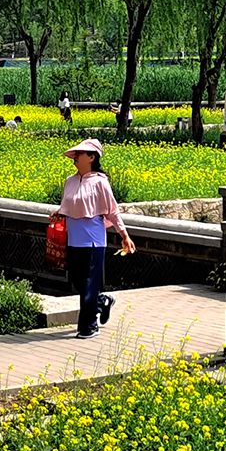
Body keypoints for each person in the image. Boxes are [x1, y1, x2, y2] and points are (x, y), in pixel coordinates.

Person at [52, 138, 136, 339]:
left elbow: (112, 211)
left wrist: (124, 235)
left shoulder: (100, 182)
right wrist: (59, 213)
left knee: (89, 284)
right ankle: (102, 302)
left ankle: (88, 326)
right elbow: (70, 206)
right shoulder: (70, 181)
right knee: (78, 282)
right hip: (73, 239)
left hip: (92, 240)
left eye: (80, 154)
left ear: (91, 157)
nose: (75, 157)